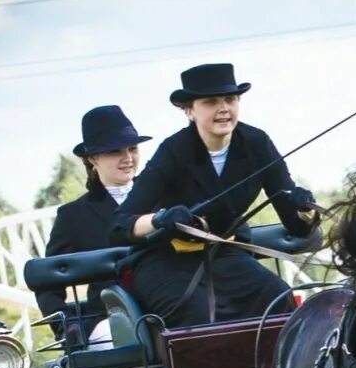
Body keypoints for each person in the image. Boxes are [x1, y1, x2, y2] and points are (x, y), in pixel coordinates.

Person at [110, 63, 316, 329]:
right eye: (210, 102)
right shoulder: (173, 150)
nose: (223, 109)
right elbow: (120, 225)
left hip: (224, 254)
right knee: (193, 310)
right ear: (189, 111)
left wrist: (303, 207)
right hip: (166, 259)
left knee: (278, 297)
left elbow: (296, 223)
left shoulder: (257, 143)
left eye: (230, 99)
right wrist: (161, 219)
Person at [35, 105, 151, 347]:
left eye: (132, 148)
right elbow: (48, 282)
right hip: (112, 317)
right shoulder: (73, 216)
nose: (128, 158)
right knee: (120, 338)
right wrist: (67, 325)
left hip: (170, 305)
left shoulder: (161, 197)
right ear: (92, 158)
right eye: (114, 151)